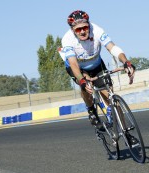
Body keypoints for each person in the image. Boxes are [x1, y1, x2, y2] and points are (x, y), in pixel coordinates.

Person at [59, 10, 138, 144]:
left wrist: (126, 62)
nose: (83, 32)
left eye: (85, 27)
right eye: (78, 30)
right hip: (78, 68)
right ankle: (91, 111)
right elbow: (73, 63)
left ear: (89, 25)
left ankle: (126, 133)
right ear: (73, 30)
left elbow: (112, 47)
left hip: (96, 65)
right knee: (85, 86)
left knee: (111, 97)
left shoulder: (97, 30)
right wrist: (82, 80)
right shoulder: (67, 39)